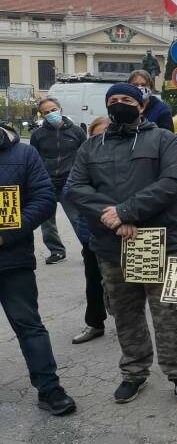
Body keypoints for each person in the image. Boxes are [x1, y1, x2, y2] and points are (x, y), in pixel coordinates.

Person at [67, 83, 177, 406]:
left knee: (168, 312)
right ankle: (134, 372)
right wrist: (113, 218)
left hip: (158, 242)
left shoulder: (164, 140)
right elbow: (77, 188)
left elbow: (171, 183)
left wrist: (126, 212)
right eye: (114, 100)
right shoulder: (91, 147)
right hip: (111, 246)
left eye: (127, 99)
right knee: (125, 313)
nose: (120, 104)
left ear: (142, 105)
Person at [0, 118, 77, 416]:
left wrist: (6, 235)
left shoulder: (23, 154)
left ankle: (49, 388)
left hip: (12, 261)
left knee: (29, 326)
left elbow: (44, 199)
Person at [67, 116, 111, 345]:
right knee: (93, 279)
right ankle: (94, 323)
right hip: (93, 232)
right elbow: (70, 190)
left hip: (127, 232)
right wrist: (109, 207)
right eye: (96, 135)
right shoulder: (84, 158)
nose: (102, 139)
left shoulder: (126, 158)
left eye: (107, 133)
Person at [30, 97, 87, 265]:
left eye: (53, 110)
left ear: (60, 109)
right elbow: (34, 158)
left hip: (70, 183)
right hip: (46, 184)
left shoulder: (77, 132)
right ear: (42, 115)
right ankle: (56, 251)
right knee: (46, 221)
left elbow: (85, 156)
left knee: (77, 218)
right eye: (46, 112)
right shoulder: (38, 135)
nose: (51, 114)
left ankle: (88, 249)